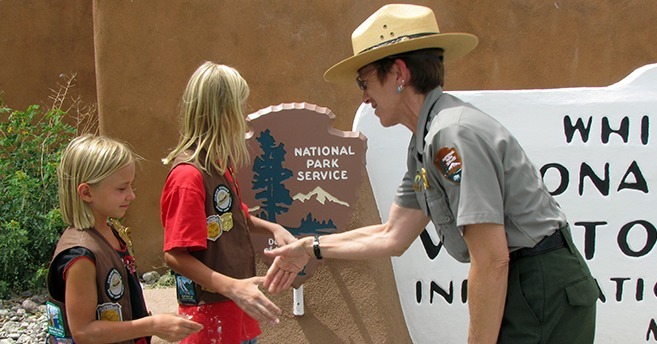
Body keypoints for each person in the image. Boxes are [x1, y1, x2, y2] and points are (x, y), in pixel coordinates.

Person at [264, 4, 599, 343]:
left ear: (398, 74)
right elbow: (392, 235)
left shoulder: (451, 135)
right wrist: (310, 247)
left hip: (539, 285)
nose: (364, 97)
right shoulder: (426, 142)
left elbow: (491, 258)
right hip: (526, 282)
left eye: (363, 82)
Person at [160, 61, 298, 344]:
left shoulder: (220, 164)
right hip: (209, 318)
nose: (244, 117)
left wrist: (274, 229)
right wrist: (232, 287)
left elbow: (237, 218)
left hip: (236, 309)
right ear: (223, 114)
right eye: (240, 108)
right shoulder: (188, 176)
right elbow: (175, 254)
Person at [46, 134, 203, 344]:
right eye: (121, 188)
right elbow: (83, 332)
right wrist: (152, 325)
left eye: (130, 186)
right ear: (86, 192)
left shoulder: (109, 232)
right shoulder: (81, 257)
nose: (131, 195)